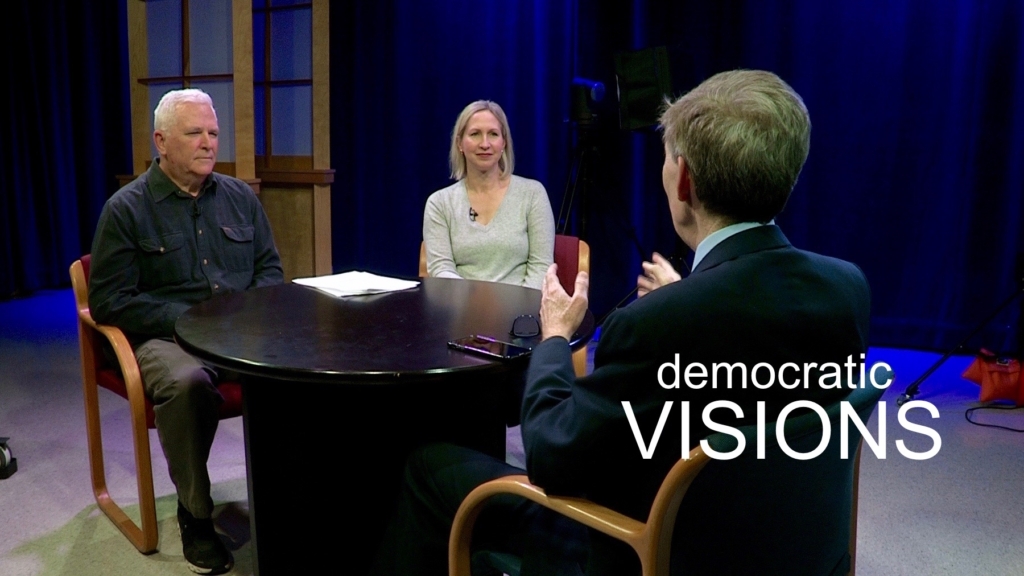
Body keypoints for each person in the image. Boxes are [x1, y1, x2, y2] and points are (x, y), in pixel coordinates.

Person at [369, 69, 871, 575]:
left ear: (685, 179)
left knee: (428, 468)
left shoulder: (655, 323)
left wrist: (554, 338)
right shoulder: (846, 288)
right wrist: (685, 296)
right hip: (779, 545)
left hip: (636, 545)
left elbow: (549, 454)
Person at [89, 88, 283, 575]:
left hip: (240, 333)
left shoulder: (240, 198)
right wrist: (191, 320)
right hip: (165, 339)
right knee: (188, 383)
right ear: (161, 141)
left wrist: (245, 318)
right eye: (194, 132)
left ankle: (291, 500)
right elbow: (111, 301)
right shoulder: (126, 209)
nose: (208, 143)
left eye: (213, 133)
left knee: (307, 371)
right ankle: (196, 515)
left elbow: (269, 272)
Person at [422, 100, 555, 289]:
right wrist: (475, 305)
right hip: (460, 310)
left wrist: (518, 310)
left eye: (493, 134)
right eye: (475, 134)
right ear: (460, 143)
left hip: (522, 311)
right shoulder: (440, 203)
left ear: (504, 143)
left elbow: (541, 266)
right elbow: (441, 268)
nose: (485, 144)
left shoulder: (532, 194)